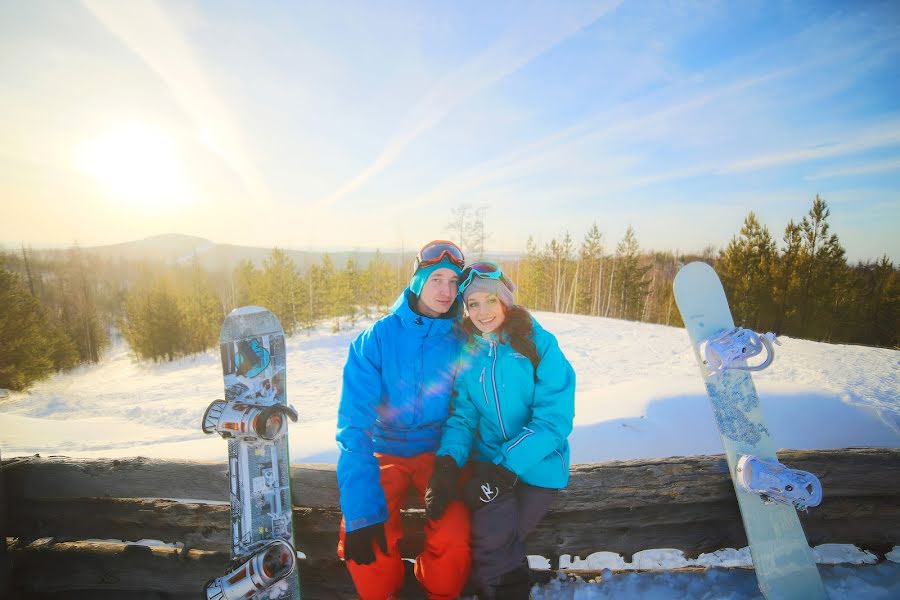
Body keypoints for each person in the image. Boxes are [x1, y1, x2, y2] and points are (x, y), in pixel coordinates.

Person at [425, 261, 576, 600]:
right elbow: (463, 417)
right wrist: (448, 462)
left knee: (494, 543)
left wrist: (504, 467)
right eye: (473, 304)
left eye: (490, 300)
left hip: (538, 468)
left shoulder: (540, 345)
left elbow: (554, 421)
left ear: (505, 300)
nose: (482, 312)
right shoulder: (471, 351)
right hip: (488, 464)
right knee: (492, 542)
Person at [335, 240, 471, 600]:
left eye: (454, 282)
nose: (446, 291)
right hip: (385, 449)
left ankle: (438, 591)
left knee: (455, 533)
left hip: (439, 452)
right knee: (364, 534)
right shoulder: (376, 339)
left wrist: (450, 464)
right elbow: (354, 426)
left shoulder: (462, 341)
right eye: (436, 279)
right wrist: (362, 511)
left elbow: (465, 411)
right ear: (417, 280)